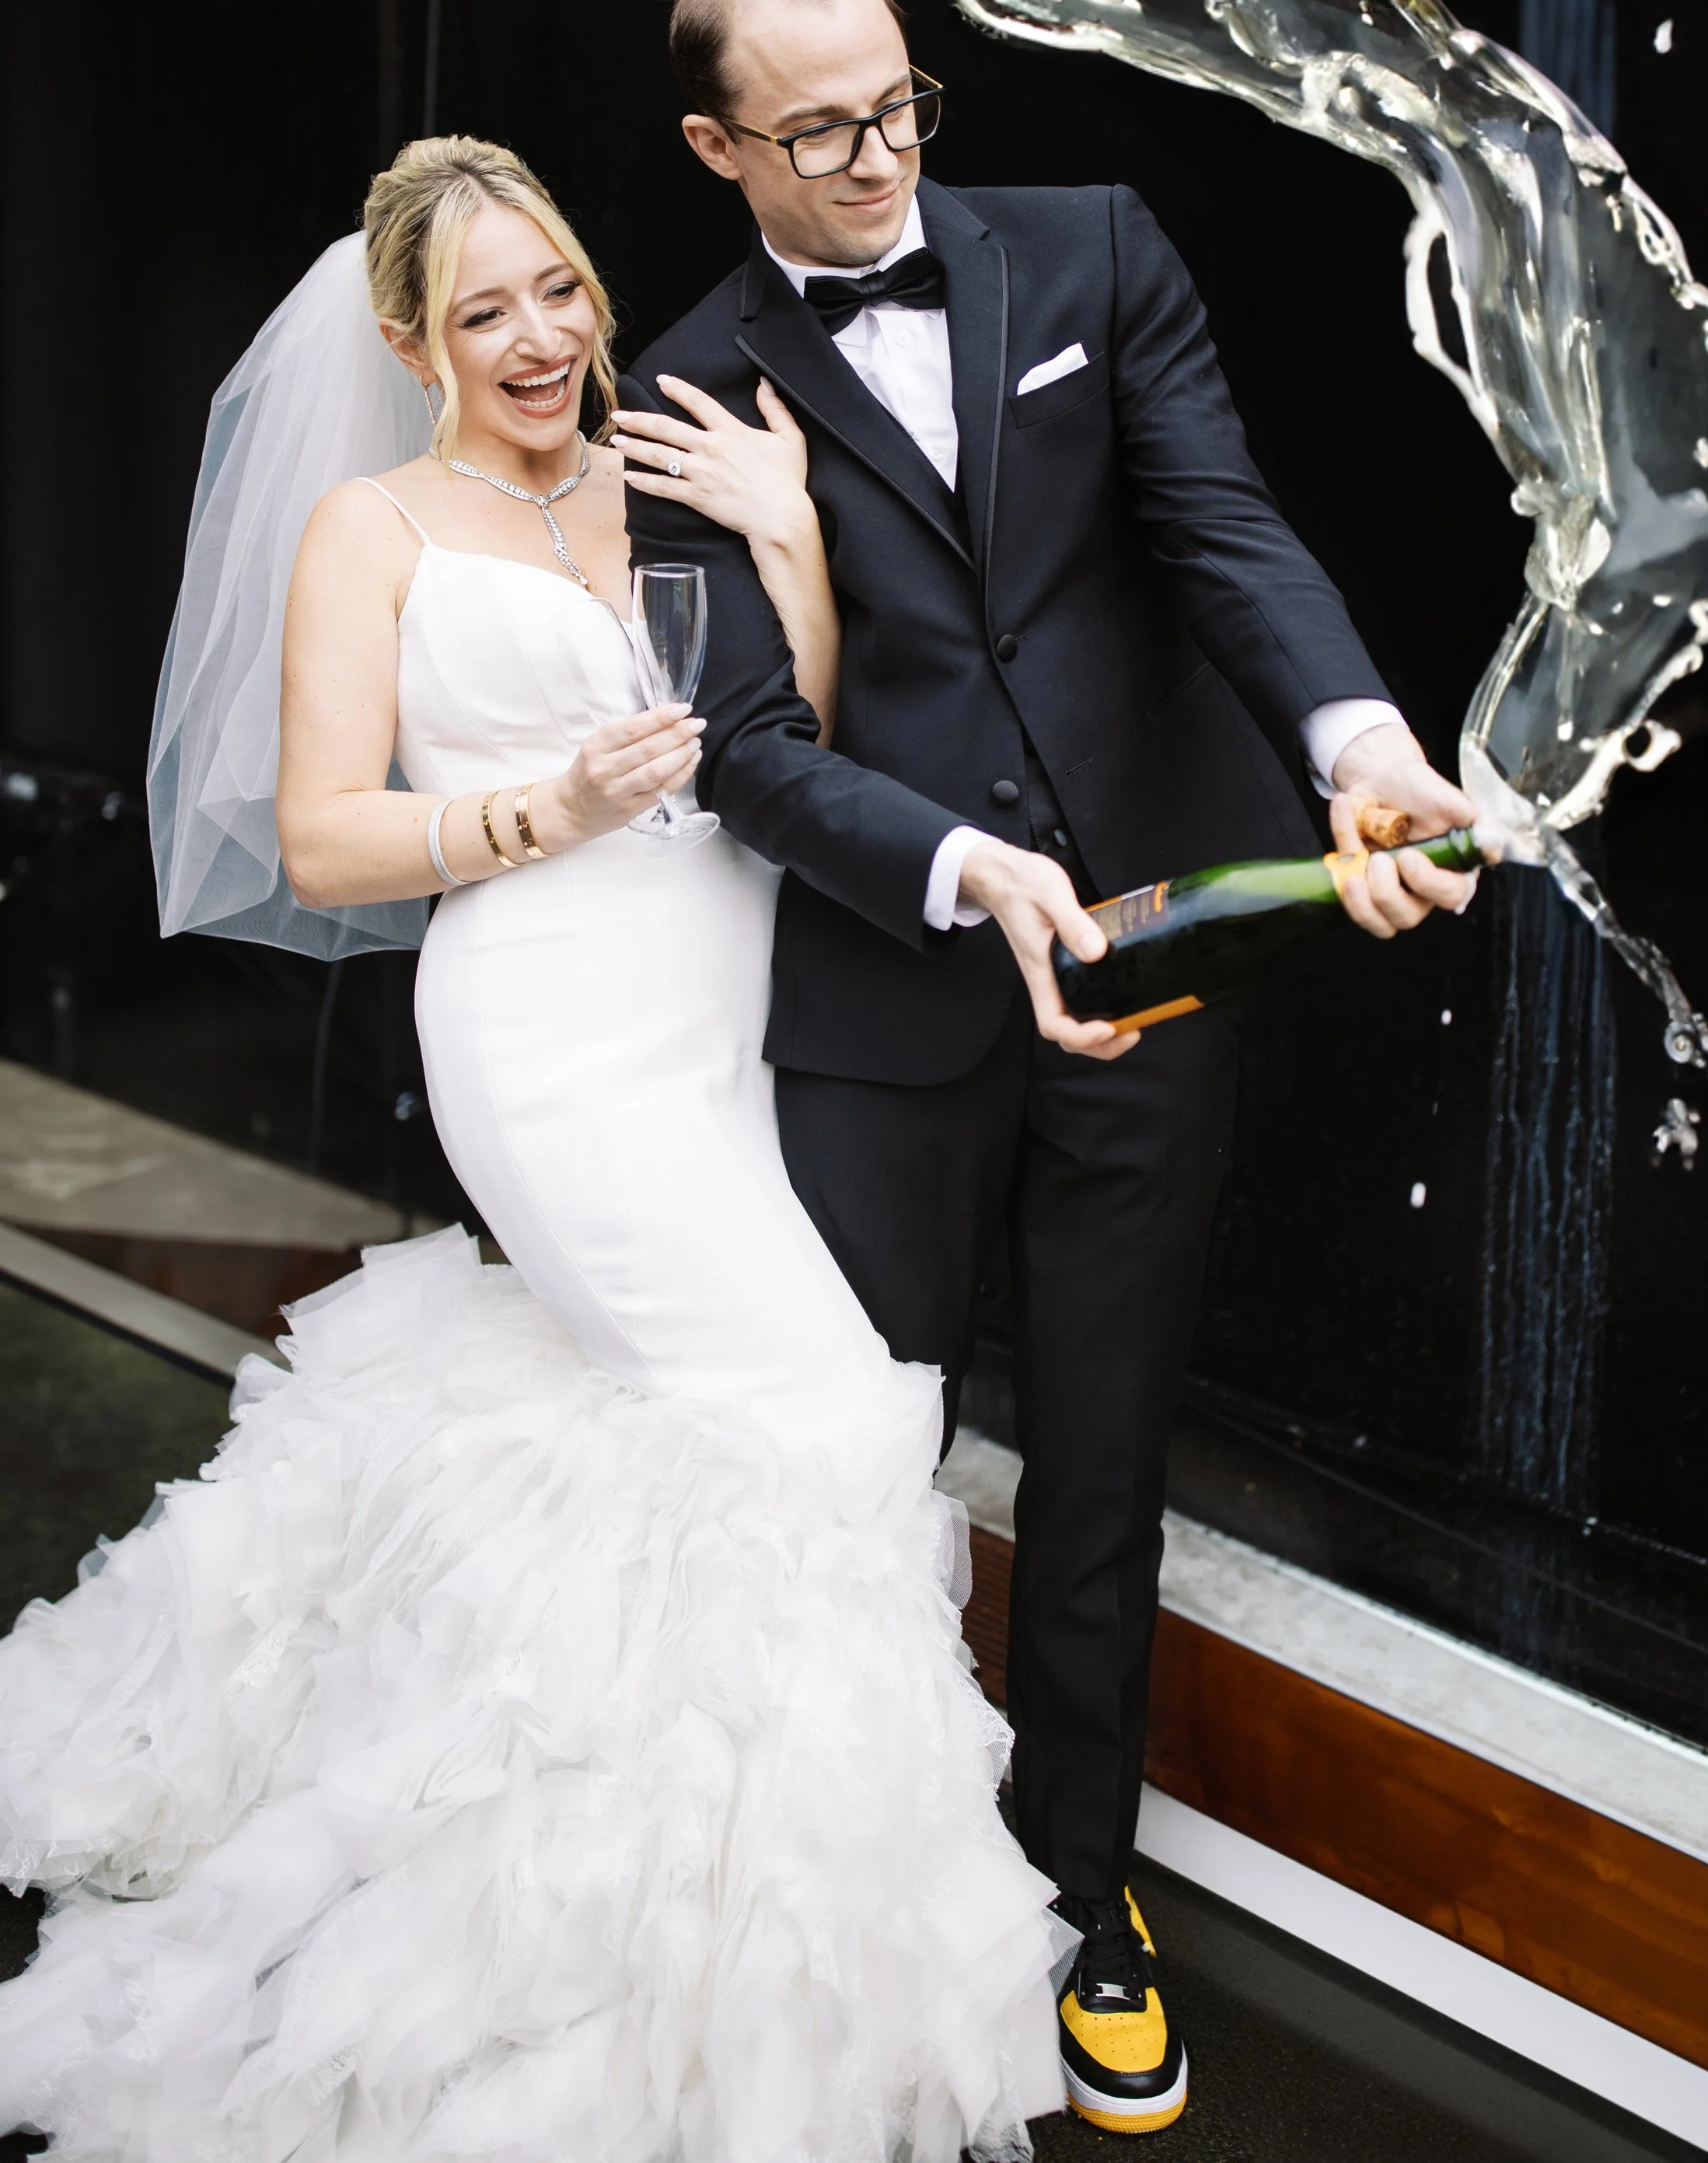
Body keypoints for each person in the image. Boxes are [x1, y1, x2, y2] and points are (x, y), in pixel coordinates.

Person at [0, 137, 1067, 2162]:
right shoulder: (370, 525)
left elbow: (776, 757)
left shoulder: (659, 486)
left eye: (557, 288)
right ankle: (691, 1946)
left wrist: (795, 550)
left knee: (669, 1434)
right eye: (483, 308)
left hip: (715, 1013)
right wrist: (540, 812)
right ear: (411, 336)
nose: (540, 336)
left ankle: (569, 1820)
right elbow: (322, 832)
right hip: (546, 1025)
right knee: (815, 1414)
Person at [618, 0, 1478, 2136]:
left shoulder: (1090, 247)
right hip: (883, 1008)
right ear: (718, 145)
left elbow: (1218, 525)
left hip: (1148, 969)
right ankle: (853, 1894)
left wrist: (1355, 739)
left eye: (903, 105)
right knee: (856, 1477)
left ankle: (1079, 1891)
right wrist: (945, 864)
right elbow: (727, 745)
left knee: (1100, 1462)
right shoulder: (684, 382)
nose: (881, 158)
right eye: (820, 135)